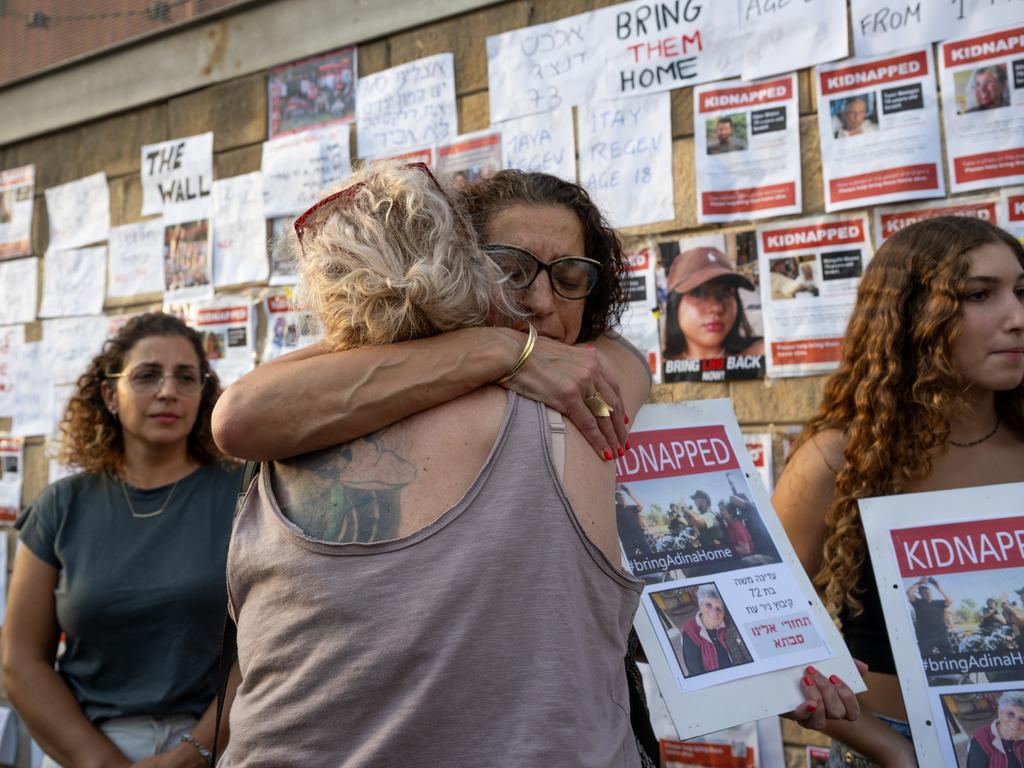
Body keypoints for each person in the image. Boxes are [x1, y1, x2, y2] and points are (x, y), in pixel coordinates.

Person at [212, 166, 860, 759]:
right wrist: (497, 350)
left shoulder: (590, 389)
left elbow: (621, 361)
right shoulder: (326, 401)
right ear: (455, 264)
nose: (542, 303)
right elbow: (241, 413)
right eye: (509, 268)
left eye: (570, 277)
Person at [774, 215, 1024, 768]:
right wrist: (892, 751)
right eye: (980, 294)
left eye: (1023, 291)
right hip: (894, 744)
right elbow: (769, 634)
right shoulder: (838, 459)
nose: (1018, 317)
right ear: (910, 315)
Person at [3, 313, 242, 767]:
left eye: (186, 377)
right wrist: (98, 762)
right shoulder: (61, 506)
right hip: (85, 747)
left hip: (217, 746)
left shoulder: (243, 495)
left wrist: (190, 756)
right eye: (147, 375)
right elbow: (20, 661)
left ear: (203, 394)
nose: (168, 390)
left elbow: (265, 644)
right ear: (110, 395)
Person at [662, 246, 764, 361]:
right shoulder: (659, 371)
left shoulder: (760, 356)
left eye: (726, 293)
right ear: (675, 304)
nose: (717, 307)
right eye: (698, 293)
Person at [680, 584, 743, 675]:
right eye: (708, 605)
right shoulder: (691, 631)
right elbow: (695, 672)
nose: (714, 612)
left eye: (719, 609)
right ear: (700, 605)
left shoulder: (729, 625)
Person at [966, 691, 1024, 767]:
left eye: (1023, 719)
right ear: (1000, 713)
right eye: (1010, 714)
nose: (1016, 723)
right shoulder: (982, 738)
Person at [907, 578, 953, 656]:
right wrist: (921, 581)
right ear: (921, 595)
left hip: (941, 634)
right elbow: (909, 593)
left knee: (949, 656)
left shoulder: (938, 603)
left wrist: (938, 588)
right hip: (925, 636)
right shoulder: (918, 603)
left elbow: (949, 601)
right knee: (926, 657)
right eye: (925, 593)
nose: (928, 594)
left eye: (929, 592)